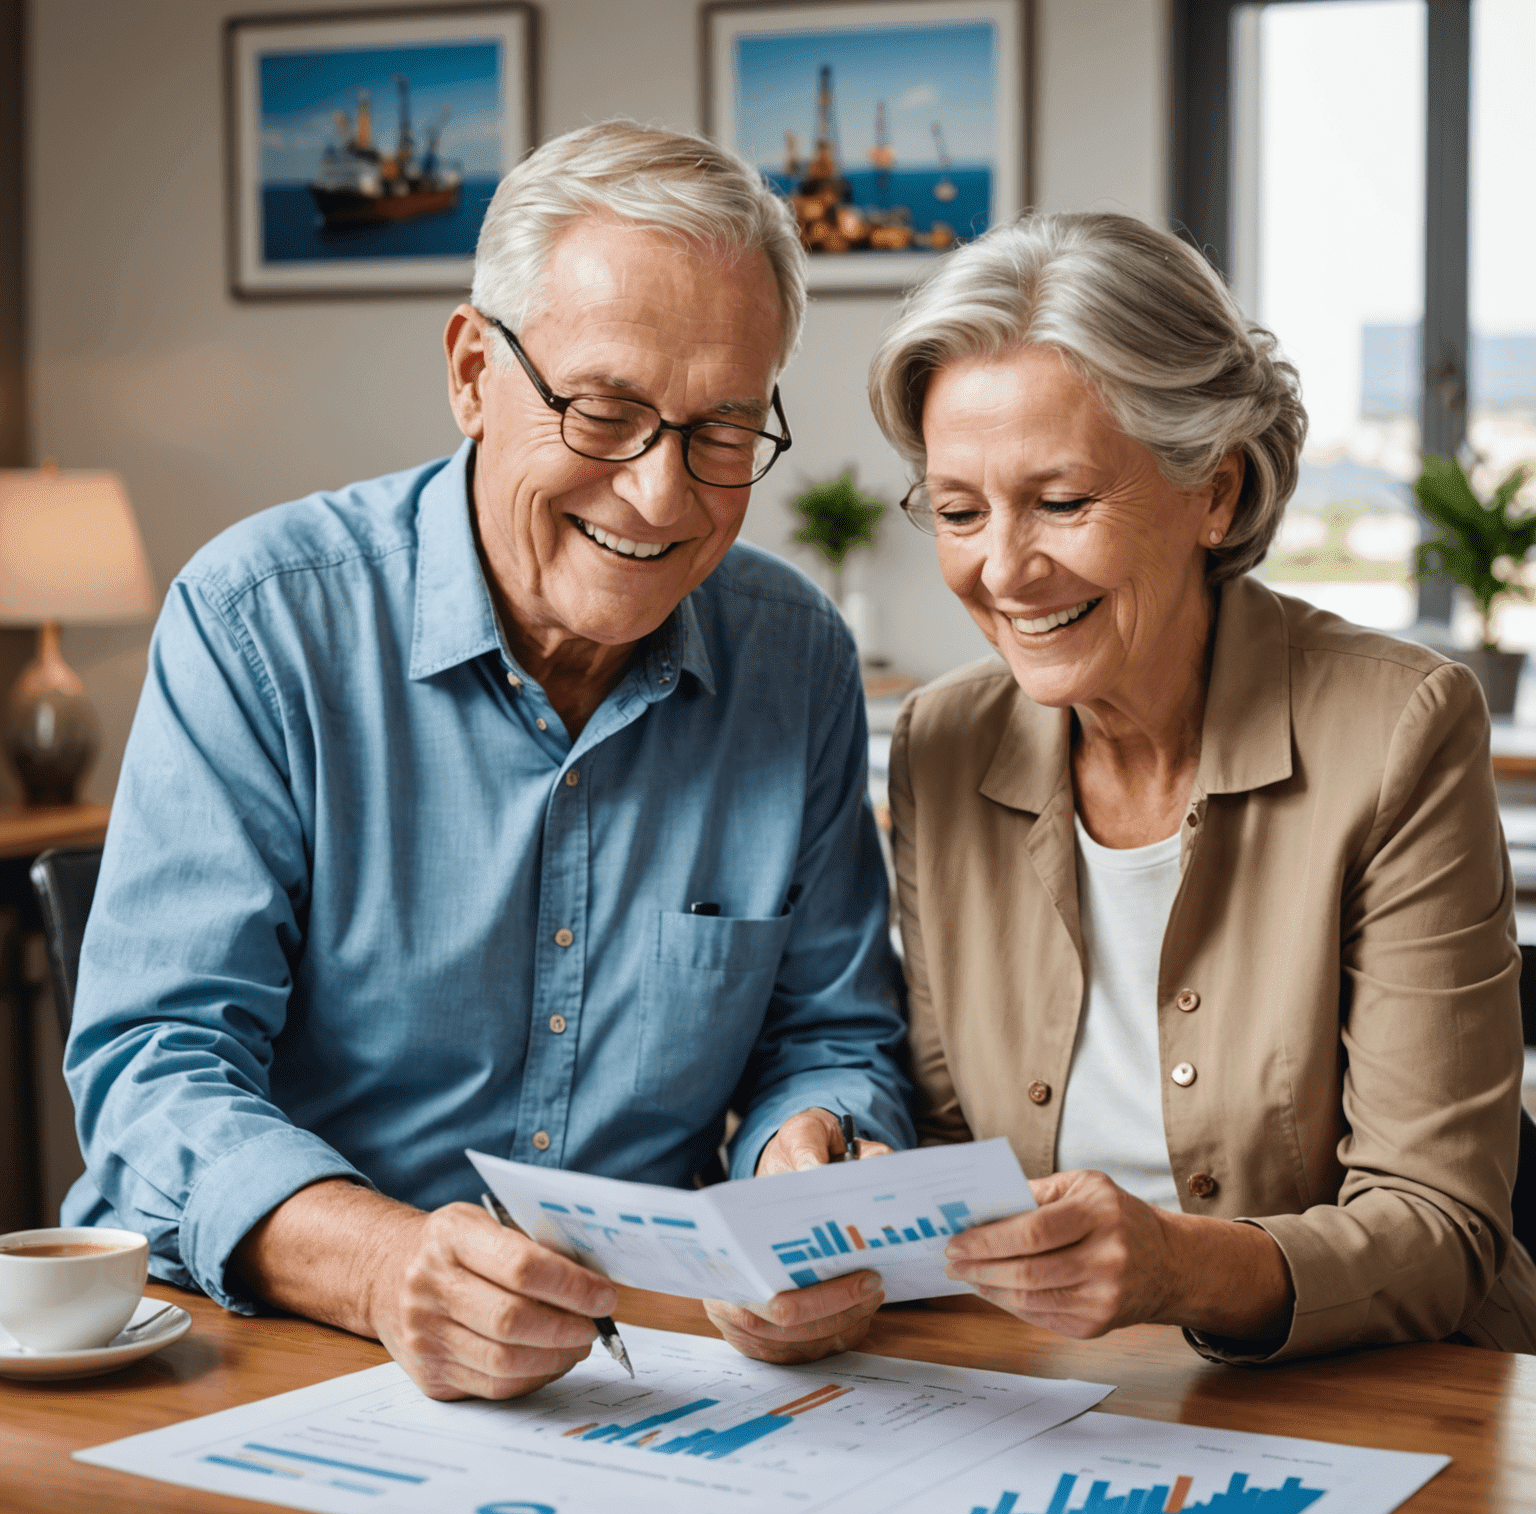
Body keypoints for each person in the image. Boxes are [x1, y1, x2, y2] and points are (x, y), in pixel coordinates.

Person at [63, 121, 913, 1399]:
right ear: (473, 371)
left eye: (723, 432)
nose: (661, 497)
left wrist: (813, 1164)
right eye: (605, 411)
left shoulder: (795, 657)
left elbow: (835, 1035)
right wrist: (377, 1265)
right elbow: (154, 1063)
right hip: (272, 1351)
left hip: (645, 1367)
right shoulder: (259, 619)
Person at [867, 210, 1536, 1361]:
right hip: (1050, 1399)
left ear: (1214, 493)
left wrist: (1180, 1268)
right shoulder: (940, 742)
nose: (1003, 569)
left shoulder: (1399, 729)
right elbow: (943, 1135)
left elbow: (1443, 1227)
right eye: (962, 511)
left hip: (1377, 1399)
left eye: (1063, 501)